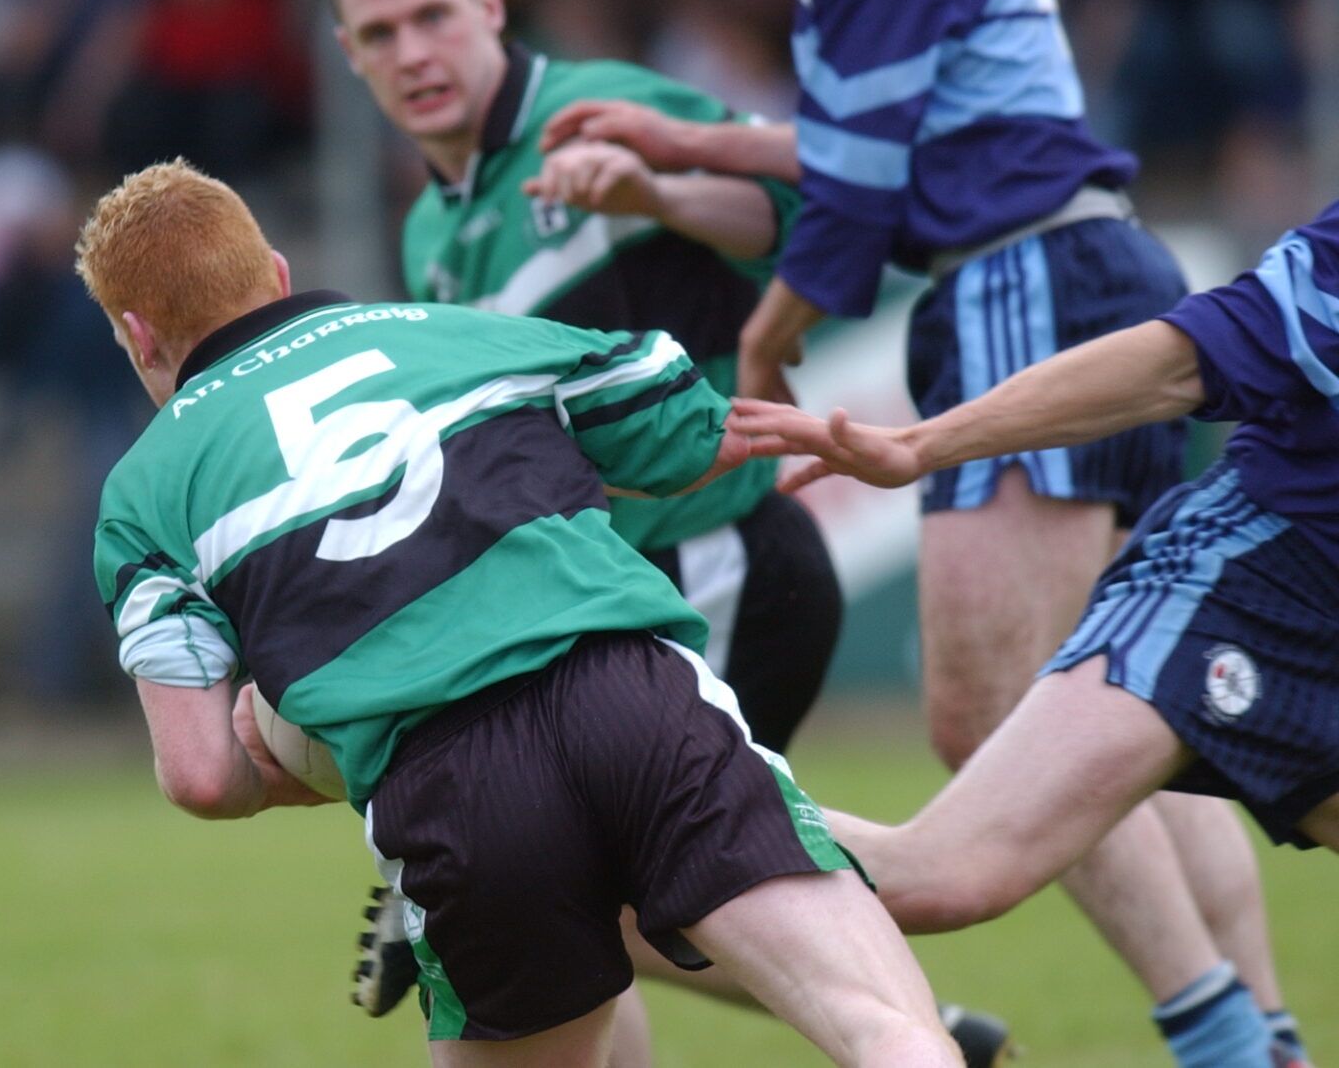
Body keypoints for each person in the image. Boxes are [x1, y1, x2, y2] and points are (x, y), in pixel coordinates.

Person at [540, 0, 1306, 1063]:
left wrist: (765, 342)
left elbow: (854, 195)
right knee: (1125, 697)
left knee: (997, 712)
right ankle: (1255, 1026)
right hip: (1078, 260)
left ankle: (1221, 1036)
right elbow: (882, 139)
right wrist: (689, 144)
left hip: (1023, 279)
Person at [82, 158, 963, 1068]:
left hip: (451, 792)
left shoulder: (143, 495)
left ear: (139, 337)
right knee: (883, 1028)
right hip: (636, 702)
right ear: (274, 272)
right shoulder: (456, 332)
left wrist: (298, 767)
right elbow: (678, 417)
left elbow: (200, 776)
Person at [325, 0, 1005, 1066]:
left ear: (490, 5)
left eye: (433, 15)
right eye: (380, 34)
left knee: (630, 884)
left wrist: (657, 193)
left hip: (719, 559)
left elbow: (809, 213)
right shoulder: (431, 230)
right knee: (603, 903)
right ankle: (928, 1031)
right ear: (348, 55)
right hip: (613, 598)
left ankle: (962, 984)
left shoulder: (597, 107)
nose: (413, 53)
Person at [729, 204, 1339, 1068]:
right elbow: (1176, 363)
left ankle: (1248, 1042)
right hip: (1251, 588)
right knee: (947, 870)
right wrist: (921, 445)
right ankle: (647, 819)